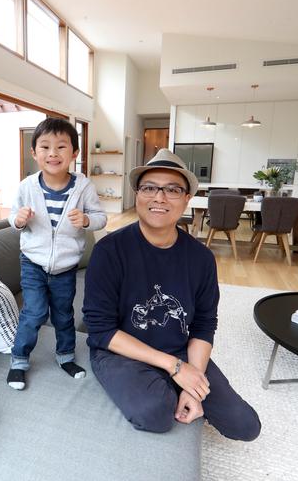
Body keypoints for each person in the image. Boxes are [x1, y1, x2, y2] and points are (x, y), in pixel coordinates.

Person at [83, 148, 261, 440]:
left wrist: (192, 380)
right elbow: (101, 331)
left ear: (187, 198)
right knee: (156, 413)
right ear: (137, 194)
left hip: (177, 346)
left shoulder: (201, 258)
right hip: (120, 352)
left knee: (245, 425)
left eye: (173, 190)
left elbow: (204, 324)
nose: (159, 198)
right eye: (149, 188)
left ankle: (169, 385)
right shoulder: (109, 251)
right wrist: (175, 368)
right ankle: (162, 386)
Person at [7, 118, 107, 390]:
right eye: (45, 147)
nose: (53, 153)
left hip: (65, 267)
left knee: (64, 315)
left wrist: (86, 220)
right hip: (33, 263)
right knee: (35, 312)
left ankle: (65, 357)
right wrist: (19, 219)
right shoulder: (27, 186)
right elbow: (11, 219)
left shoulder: (83, 187)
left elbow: (101, 218)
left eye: (61, 147)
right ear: (34, 153)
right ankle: (19, 360)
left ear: (74, 153)